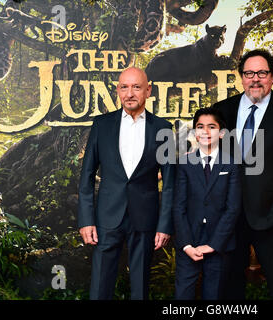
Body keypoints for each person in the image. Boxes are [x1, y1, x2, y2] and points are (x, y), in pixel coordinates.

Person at [213, 49, 273, 299]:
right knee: (230, 284)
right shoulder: (222, 111)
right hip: (230, 215)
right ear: (241, 77)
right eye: (249, 73)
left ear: (272, 76)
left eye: (262, 73)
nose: (255, 79)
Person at [77, 67, 175, 300]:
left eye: (136, 87)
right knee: (100, 286)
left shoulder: (163, 129)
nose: (129, 93)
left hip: (145, 218)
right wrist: (86, 219)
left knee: (140, 287)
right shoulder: (102, 125)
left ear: (148, 90)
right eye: (124, 87)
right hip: (107, 217)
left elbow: (170, 183)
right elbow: (87, 176)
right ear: (118, 91)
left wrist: (164, 225)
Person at [173, 107, 242, 300]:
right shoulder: (185, 163)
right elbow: (179, 206)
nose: (205, 131)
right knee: (183, 296)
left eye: (211, 126)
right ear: (194, 133)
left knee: (214, 296)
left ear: (221, 133)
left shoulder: (231, 164)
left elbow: (233, 208)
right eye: (200, 127)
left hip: (218, 243)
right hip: (189, 241)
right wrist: (186, 244)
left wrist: (212, 245)